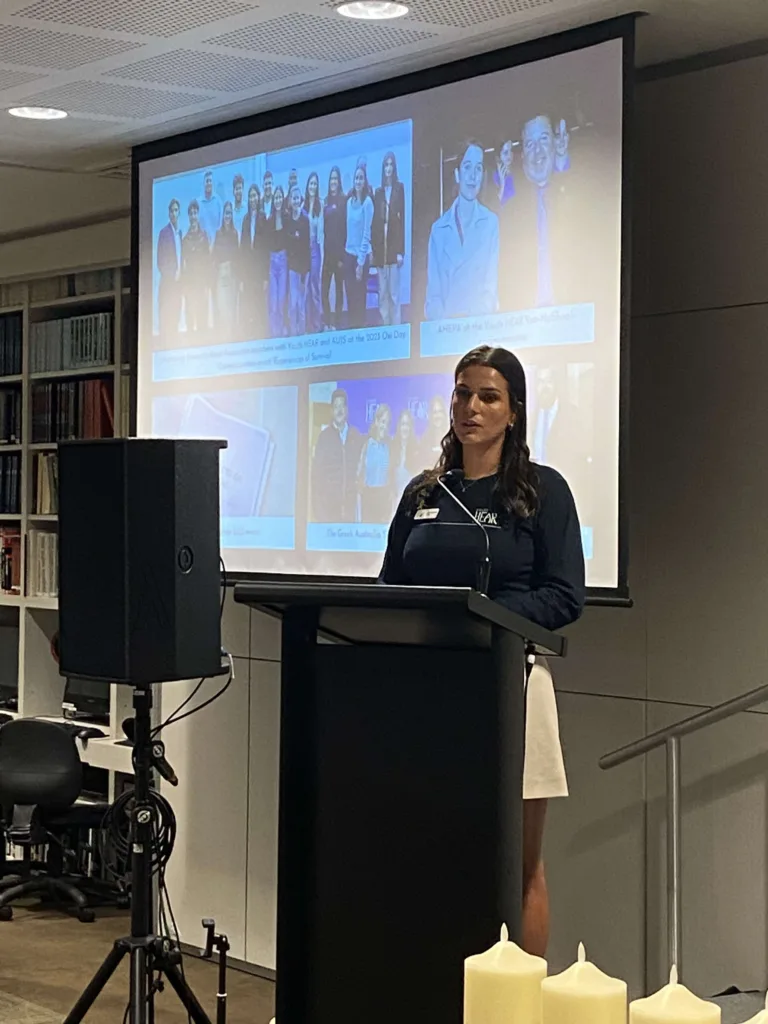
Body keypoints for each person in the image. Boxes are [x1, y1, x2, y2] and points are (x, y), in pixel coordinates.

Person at [379, 344, 584, 956]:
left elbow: (565, 595)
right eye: (462, 394)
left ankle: (519, 1004)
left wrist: (486, 613)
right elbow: (389, 585)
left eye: (488, 396)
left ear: (513, 412)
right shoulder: (423, 492)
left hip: (511, 684)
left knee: (519, 865)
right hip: (429, 690)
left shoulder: (543, 491)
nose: (471, 407)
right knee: (433, 856)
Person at [425, 140, 499, 320]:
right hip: (446, 336)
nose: (473, 176)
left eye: (478, 168)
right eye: (467, 167)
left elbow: (491, 288)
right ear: (457, 174)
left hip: (481, 334)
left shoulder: (491, 223)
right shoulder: (438, 230)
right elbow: (433, 296)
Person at [311, 388, 363, 523]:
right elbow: (316, 476)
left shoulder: (355, 436)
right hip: (328, 510)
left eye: (342, 406)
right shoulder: (324, 437)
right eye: (336, 406)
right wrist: (319, 512)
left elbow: (361, 469)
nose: (339, 410)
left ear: (347, 410)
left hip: (350, 510)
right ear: (331, 411)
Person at [371, 151, 405, 326]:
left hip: (393, 247)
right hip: (380, 250)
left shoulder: (400, 188)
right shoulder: (378, 192)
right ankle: (386, 327)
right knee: (382, 292)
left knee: (394, 293)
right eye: (386, 165)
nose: (389, 168)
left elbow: (402, 221)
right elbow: (375, 223)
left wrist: (401, 251)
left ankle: (397, 327)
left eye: (391, 165)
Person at [344, 164, 374, 329]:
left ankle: (360, 328)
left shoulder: (368, 203)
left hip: (361, 257)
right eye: (356, 178)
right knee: (350, 296)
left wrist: (360, 263)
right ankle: (352, 331)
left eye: (361, 178)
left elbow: (366, 234)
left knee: (359, 296)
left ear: (365, 181)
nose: (358, 181)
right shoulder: (349, 202)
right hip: (348, 255)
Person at [357, 402, 392, 523]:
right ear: (376, 422)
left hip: (383, 497)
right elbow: (359, 473)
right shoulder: (366, 445)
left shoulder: (388, 447)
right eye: (382, 421)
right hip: (368, 497)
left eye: (387, 423)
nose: (384, 426)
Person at [322, 166, 346, 330]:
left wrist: (341, 256)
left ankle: (337, 322)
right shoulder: (325, 201)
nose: (333, 182)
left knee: (338, 289)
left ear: (339, 182)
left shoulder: (343, 201)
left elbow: (344, 230)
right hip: (327, 254)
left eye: (336, 179)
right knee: (323, 289)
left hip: (339, 255)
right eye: (331, 179)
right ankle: (327, 321)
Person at [240, 184, 266, 335]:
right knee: (248, 306)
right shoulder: (245, 219)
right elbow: (243, 250)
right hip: (248, 271)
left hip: (259, 271)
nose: (253, 199)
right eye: (250, 196)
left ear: (258, 197)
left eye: (255, 195)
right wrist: (243, 277)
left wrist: (264, 277)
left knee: (259, 305)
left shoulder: (263, 217)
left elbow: (264, 251)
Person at [181, 199, 210, 335]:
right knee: (190, 321)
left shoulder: (204, 237)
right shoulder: (185, 240)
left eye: (195, 213)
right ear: (189, 216)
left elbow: (208, 262)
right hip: (190, 286)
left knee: (202, 321)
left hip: (202, 284)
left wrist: (207, 286)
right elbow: (183, 265)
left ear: (198, 215)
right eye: (191, 213)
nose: (193, 216)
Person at [285, 184, 310, 336]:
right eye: (293, 198)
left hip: (303, 270)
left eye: (297, 198)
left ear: (300, 200)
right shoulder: (288, 220)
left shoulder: (305, 220)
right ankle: (294, 334)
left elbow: (306, 247)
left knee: (301, 304)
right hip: (292, 269)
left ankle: (302, 333)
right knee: (293, 304)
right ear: (290, 200)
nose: (295, 201)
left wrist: (304, 272)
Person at [156, 198, 183, 338]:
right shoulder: (163, 233)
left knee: (176, 318)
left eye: (176, 210)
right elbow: (160, 262)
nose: (174, 213)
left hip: (179, 285)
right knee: (166, 321)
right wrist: (172, 276)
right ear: (168, 213)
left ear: (179, 213)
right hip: (167, 284)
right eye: (171, 210)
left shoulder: (180, 234)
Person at [212, 201, 239, 335]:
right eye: (225, 213)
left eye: (229, 213)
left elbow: (237, 256)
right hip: (221, 273)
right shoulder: (218, 233)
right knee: (222, 308)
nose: (227, 216)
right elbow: (215, 256)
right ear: (222, 215)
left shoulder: (235, 233)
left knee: (231, 308)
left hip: (232, 273)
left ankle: (231, 338)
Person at [304, 171, 324, 333]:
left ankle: (317, 325)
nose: (312, 186)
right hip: (303, 250)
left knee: (315, 288)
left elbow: (321, 233)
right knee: (304, 290)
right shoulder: (302, 204)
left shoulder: (320, 205)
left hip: (315, 250)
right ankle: (306, 326)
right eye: (310, 183)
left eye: (315, 184)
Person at [268, 185, 288, 337]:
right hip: (272, 262)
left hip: (284, 262)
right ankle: (274, 333)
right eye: (276, 197)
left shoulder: (287, 218)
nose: (278, 200)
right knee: (273, 302)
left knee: (281, 301)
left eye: (280, 197)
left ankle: (281, 330)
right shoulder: (269, 220)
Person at [390, 408, 418, 508]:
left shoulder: (417, 449)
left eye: (407, 424)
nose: (405, 428)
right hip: (393, 501)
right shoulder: (392, 448)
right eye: (403, 424)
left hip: (411, 502)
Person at [418, 393, 448, 469]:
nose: (437, 416)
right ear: (431, 415)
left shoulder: (453, 437)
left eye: (440, 412)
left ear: (444, 414)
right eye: (435, 412)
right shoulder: (425, 439)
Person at [198, 169, 223, 248]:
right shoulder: (198, 203)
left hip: (217, 246)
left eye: (210, 181)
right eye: (207, 181)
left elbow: (221, 226)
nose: (209, 183)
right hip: (202, 247)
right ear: (203, 183)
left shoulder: (218, 201)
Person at [493, 138, 516, 208]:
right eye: (505, 152)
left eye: (511, 151)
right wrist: (502, 183)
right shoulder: (495, 176)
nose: (509, 155)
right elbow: (495, 204)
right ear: (498, 156)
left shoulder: (516, 172)